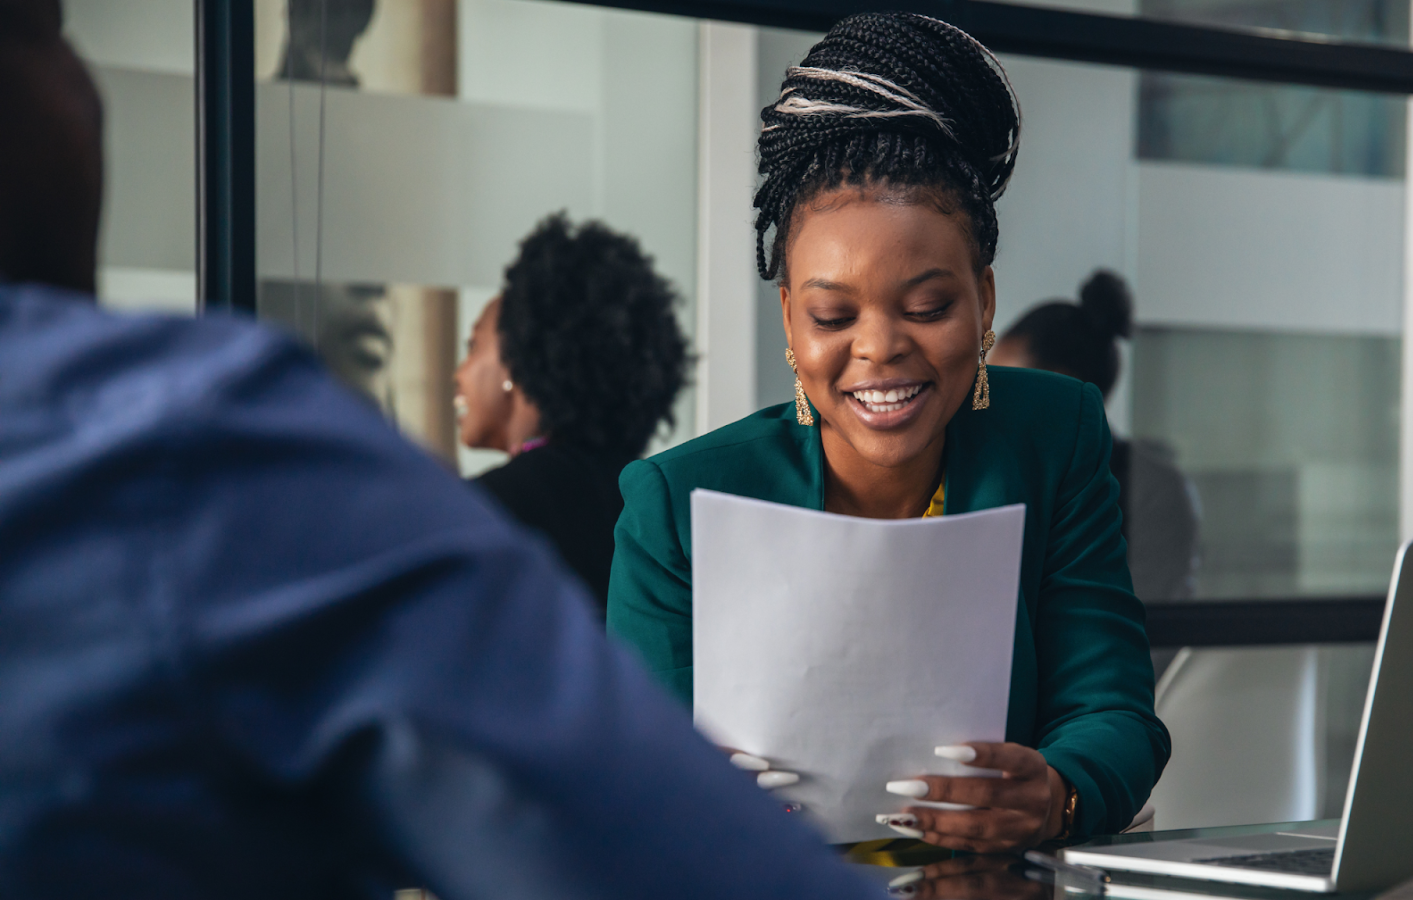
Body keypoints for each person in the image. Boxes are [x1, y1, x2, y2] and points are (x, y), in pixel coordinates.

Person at [0, 5, 877, 898]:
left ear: (526, 360)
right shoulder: (222, 462)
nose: (460, 367)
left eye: (477, 340)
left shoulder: (231, 471)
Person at [607, 12, 1170, 853]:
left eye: (928, 306)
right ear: (791, 323)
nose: (879, 349)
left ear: (984, 301)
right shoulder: (676, 504)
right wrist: (682, 799)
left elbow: (1113, 709)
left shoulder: (1053, 436)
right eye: (834, 314)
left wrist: (1058, 791)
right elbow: (624, 773)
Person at [456, 213, 689, 607]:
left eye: (473, 345)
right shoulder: (653, 502)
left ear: (516, 356)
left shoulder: (487, 512)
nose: (458, 374)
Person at [989, 271, 1202, 605]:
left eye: (1010, 390)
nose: (993, 406)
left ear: (1064, 392)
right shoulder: (999, 477)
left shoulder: (1150, 492)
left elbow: (1149, 631)